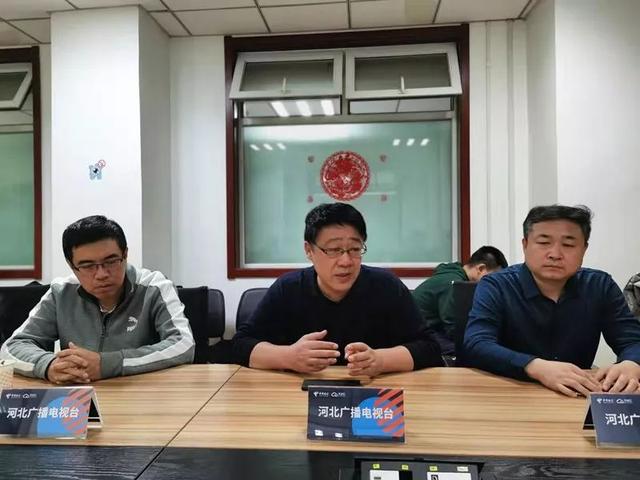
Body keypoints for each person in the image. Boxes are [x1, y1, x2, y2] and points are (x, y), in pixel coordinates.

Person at [232, 202, 443, 376]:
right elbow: (240, 345)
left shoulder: (386, 286)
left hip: (373, 398)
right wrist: (289, 357)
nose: (346, 261)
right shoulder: (288, 288)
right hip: (300, 396)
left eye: (355, 249)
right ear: (309, 250)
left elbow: (430, 348)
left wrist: (380, 360)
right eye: (334, 250)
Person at [463, 205, 640, 397]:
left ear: (584, 249)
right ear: (525, 245)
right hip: (508, 394)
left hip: (575, 397)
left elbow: (631, 340)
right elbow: (477, 343)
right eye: (543, 242)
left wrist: (631, 363)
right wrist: (535, 367)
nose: (555, 254)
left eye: (568, 245)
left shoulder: (600, 285)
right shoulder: (497, 285)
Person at [1, 215, 195, 384]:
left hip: (143, 395)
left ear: (125, 254)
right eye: (87, 266)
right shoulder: (61, 293)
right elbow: (12, 347)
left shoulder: (154, 287)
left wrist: (108, 364)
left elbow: (183, 344)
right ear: (71, 265)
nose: (101, 274)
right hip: (80, 399)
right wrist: (49, 365)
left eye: (111, 261)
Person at [412, 246, 508, 355]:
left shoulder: (455, 278)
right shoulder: (453, 283)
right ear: (481, 269)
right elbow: (453, 325)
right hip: (419, 334)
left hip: (430, 330)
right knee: (467, 350)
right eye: (494, 277)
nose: (495, 284)